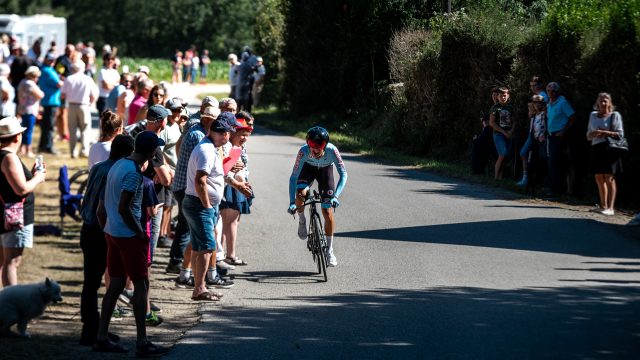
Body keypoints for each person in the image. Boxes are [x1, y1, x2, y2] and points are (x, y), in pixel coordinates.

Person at [94, 131, 169, 357]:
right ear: (151, 152)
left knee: (115, 285)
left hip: (112, 232)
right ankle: (142, 341)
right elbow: (124, 207)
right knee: (141, 284)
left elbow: (105, 207)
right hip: (127, 235)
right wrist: (139, 232)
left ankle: (101, 336)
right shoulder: (134, 174)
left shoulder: (118, 165)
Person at [79, 134, 134, 346]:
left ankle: (93, 327)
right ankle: (92, 330)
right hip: (99, 229)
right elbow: (103, 207)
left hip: (88, 227)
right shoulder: (114, 171)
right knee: (97, 282)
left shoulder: (98, 167)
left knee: (90, 283)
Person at [182, 117, 235, 302]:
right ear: (212, 132)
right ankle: (199, 289)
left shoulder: (210, 148)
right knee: (207, 247)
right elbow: (200, 180)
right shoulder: (206, 150)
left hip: (199, 204)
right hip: (199, 204)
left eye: (226, 132)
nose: (224, 136)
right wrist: (206, 204)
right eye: (221, 132)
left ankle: (200, 286)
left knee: (199, 248)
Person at [288, 126, 348, 267]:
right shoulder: (303, 152)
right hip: (307, 169)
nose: (314, 149)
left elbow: (344, 174)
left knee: (327, 210)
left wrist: (336, 196)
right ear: (307, 143)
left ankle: (329, 250)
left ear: (325, 144)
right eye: (311, 145)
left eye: (319, 145)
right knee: (301, 193)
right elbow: (293, 178)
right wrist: (292, 202)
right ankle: (302, 221)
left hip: (325, 171)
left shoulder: (332, 150)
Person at [0, 116, 46, 287]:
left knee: (4, 261)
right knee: (12, 261)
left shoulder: (5, 156)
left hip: (6, 215)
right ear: (17, 137)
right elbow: (21, 189)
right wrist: (38, 177)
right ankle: (11, 303)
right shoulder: (9, 158)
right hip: (15, 217)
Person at [220, 118, 253, 266]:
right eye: (242, 134)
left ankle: (229, 255)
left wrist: (244, 180)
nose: (244, 138)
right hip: (228, 186)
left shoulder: (240, 147)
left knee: (233, 221)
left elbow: (243, 168)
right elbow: (225, 169)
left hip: (238, 184)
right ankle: (223, 256)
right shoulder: (226, 146)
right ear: (233, 133)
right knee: (224, 222)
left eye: (247, 134)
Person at [586, 93, 624, 216]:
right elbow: (588, 134)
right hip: (596, 147)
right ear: (597, 102)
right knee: (598, 177)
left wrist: (604, 132)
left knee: (609, 177)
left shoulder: (615, 115)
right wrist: (593, 134)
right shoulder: (592, 115)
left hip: (610, 149)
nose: (603, 103)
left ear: (610, 102)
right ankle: (603, 206)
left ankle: (611, 208)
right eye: (601, 101)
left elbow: (620, 134)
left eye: (605, 100)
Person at [61, 60, 99, 158]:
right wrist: (90, 103)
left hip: (71, 105)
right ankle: (84, 150)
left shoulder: (69, 79)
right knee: (85, 129)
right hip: (84, 105)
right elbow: (94, 94)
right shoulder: (88, 79)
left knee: (72, 129)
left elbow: (63, 95)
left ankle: (73, 152)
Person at [546, 82, 576, 195]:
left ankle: (556, 189)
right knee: (552, 162)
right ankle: (555, 187)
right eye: (548, 91)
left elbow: (572, 117)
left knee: (556, 162)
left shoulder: (563, 103)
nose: (550, 93)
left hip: (560, 136)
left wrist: (563, 131)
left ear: (558, 91)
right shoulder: (549, 104)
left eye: (553, 91)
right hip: (551, 136)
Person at [517, 95, 547, 187]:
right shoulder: (534, 115)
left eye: (539, 102)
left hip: (542, 139)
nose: (537, 104)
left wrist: (544, 135)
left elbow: (547, 126)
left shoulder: (544, 114)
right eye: (535, 102)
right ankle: (528, 179)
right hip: (534, 138)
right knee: (528, 156)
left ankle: (543, 183)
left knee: (543, 159)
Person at [38, 53, 63, 155]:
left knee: (46, 126)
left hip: (48, 101)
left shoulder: (45, 69)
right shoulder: (48, 71)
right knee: (50, 126)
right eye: (50, 60)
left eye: (53, 60)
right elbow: (59, 84)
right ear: (45, 59)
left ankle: (43, 146)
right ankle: (48, 146)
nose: (52, 62)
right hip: (51, 101)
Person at [17, 66, 44, 158]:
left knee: (23, 130)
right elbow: (40, 95)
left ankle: (22, 149)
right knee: (29, 131)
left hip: (22, 109)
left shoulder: (22, 82)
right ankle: (28, 150)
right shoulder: (30, 84)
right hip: (30, 110)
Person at [488, 87, 514, 180]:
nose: (503, 97)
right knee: (503, 153)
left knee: (505, 156)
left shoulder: (510, 107)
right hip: (498, 134)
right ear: (497, 97)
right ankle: (496, 177)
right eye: (501, 96)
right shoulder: (495, 108)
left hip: (508, 133)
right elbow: (491, 123)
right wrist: (503, 132)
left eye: (504, 95)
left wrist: (511, 132)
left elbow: (514, 121)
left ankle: (500, 177)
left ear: (508, 96)